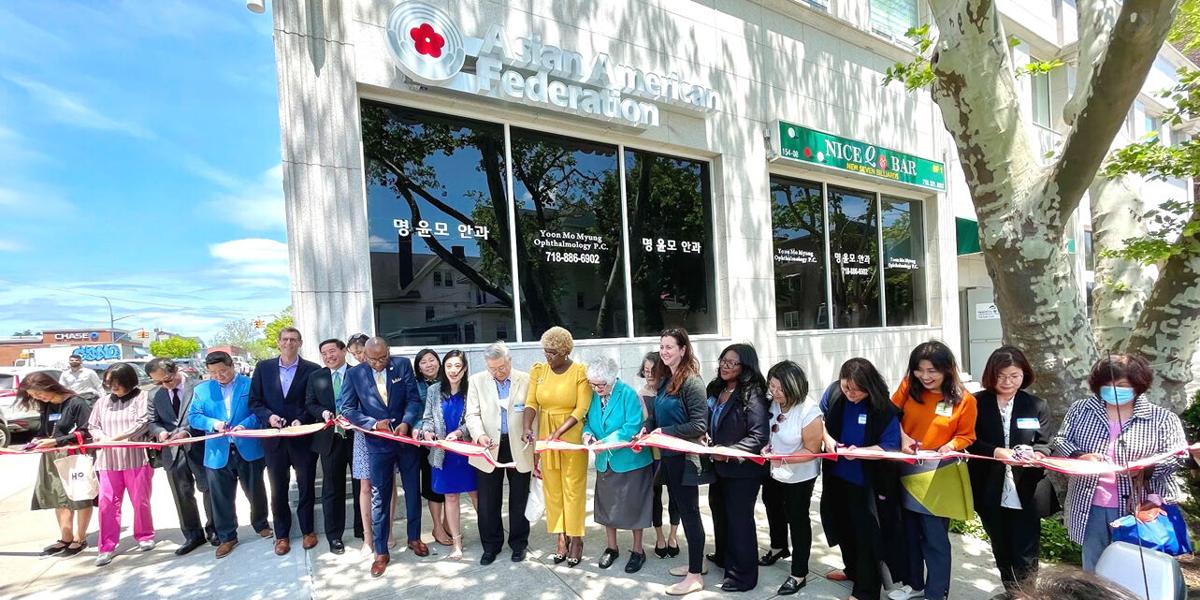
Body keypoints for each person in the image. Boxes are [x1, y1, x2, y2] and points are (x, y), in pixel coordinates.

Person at [1051, 353, 1187, 572]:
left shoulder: (1161, 418)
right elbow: (1061, 439)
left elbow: (1179, 456)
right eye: (1108, 385)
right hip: (1090, 503)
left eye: (1122, 385)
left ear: (1137, 385)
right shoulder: (1081, 410)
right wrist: (1079, 455)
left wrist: (1146, 469)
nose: (1114, 390)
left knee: (1137, 568)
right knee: (1094, 568)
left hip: (1141, 507)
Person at [888, 341, 977, 600]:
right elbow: (890, 415)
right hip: (904, 469)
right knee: (909, 533)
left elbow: (967, 435)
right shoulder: (908, 387)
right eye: (920, 370)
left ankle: (936, 593)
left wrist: (951, 445)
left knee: (934, 537)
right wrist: (902, 437)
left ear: (947, 370)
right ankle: (914, 584)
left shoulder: (965, 400)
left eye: (932, 371)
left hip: (938, 473)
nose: (925, 376)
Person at [340, 336, 427, 577]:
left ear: (389, 352)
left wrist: (407, 422)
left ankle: (414, 538)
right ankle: (381, 552)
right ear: (363, 356)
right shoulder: (355, 374)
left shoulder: (402, 365)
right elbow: (347, 409)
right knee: (380, 496)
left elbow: (413, 398)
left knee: (412, 491)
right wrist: (372, 424)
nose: (379, 364)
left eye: (383, 358)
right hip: (377, 443)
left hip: (405, 440)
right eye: (373, 359)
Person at [967, 346, 1051, 593]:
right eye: (1001, 376)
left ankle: (1027, 594)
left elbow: (1046, 443)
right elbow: (969, 439)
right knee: (1000, 545)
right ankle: (1011, 590)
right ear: (991, 375)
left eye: (1014, 376)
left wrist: (1037, 454)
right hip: (989, 485)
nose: (1007, 382)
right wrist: (996, 452)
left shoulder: (1036, 404)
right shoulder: (976, 402)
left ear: (1024, 375)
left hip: (1026, 486)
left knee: (1025, 548)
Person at [820, 358, 903, 600]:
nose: (850, 393)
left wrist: (862, 452)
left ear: (870, 386)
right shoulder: (835, 393)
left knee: (866, 536)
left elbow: (889, 447)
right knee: (842, 527)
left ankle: (866, 591)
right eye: (846, 387)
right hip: (837, 476)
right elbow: (820, 420)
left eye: (856, 390)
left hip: (866, 482)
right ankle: (851, 570)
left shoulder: (884, 409)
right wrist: (828, 440)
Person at [188, 351, 271, 560]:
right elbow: (194, 417)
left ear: (232, 365)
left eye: (222, 371)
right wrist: (212, 424)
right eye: (213, 373)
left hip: (248, 446)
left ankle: (261, 524)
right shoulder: (202, 389)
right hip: (217, 451)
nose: (219, 376)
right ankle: (227, 536)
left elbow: (259, 411)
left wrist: (246, 425)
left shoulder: (249, 384)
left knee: (256, 490)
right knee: (221, 497)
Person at [521, 326, 592, 567]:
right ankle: (560, 537)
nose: (547, 357)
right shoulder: (539, 371)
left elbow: (581, 409)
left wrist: (559, 432)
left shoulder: (579, 372)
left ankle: (576, 538)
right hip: (545, 435)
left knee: (572, 488)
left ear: (564, 352)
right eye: (545, 352)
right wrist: (527, 426)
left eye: (552, 353)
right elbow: (531, 402)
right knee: (552, 488)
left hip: (570, 435)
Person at [249, 326, 321, 556]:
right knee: (277, 489)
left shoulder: (313, 369)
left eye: (293, 339)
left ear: (300, 343)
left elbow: (314, 403)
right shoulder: (263, 368)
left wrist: (302, 419)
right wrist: (268, 417)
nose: (289, 343)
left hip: (302, 439)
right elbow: (255, 401)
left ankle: (308, 530)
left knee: (306, 486)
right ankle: (282, 535)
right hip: (275, 441)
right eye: (285, 339)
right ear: (278, 343)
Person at [704, 344, 770, 592]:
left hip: (742, 472)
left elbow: (759, 436)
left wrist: (728, 453)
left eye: (732, 363)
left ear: (746, 367)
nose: (725, 365)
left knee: (739, 521)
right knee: (720, 514)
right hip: (718, 467)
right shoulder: (718, 388)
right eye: (723, 360)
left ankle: (743, 576)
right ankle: (724, 558)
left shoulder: (752, 393)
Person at [464, 341, 534, 565]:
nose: (498, 372)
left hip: (518, 445)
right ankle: (491, 546)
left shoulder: (526, 379)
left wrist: (531, 433)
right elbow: (471, 415)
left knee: (519, 498)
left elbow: (534, 411)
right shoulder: (476, 381)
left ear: (510, 361)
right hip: (488, 446)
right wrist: (479, 435)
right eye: (492, 368)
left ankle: (518, 544)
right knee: (487, 500)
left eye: (501, 367)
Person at [651, 328, 709, 596]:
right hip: (669, 458)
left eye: (669, 347)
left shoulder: (692, 382)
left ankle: (695, 576)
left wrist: (665, 432)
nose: (664, 352)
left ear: (683, 349)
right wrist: (647, 428)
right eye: (662, 347)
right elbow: (659, 415)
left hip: (686, 459)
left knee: (690, 513)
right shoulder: (666, 379)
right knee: (684, 512)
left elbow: (699, 424)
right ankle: (695, 564)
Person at [582, 356, 652, 574]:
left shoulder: (628, 394)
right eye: (593, 384)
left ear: (612, 380)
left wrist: (606, 442)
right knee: (606, 507)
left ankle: (638, 550)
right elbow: (587, 421)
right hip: (606, 461)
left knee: (634, 508)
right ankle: (612, 548)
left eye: (601, 385)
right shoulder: (593, 395)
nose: (596, 388)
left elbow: (632, 427)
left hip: (631, 461)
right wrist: (587, 435)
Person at [761, 360, 824, 595]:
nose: (774, 393)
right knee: (772, 506)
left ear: (794, 386)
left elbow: (812, 450)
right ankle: (778, 547)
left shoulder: (809, 411)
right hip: (774, 469)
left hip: (799, 475)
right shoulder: (773, 404)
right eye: (772, 387)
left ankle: (799, 573)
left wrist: (782, 458)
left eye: (779, 388)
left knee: (797, 518)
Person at [17, 372, 96, 558]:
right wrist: (38, 439)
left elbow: (87, 432)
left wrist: (57, 441)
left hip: (75, 455)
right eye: (34, 396)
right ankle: (65, 537)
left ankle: (80, 537)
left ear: (49, 385)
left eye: (39, 394)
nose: (38, 398)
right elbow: (46, 430)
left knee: (80, 495)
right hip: (51, 455)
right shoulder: (46, 406)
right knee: (58, 496)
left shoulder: (77, 402)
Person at [146, 358, 216, 555]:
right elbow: (152, 421)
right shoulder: (154, 395)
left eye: (166, 380)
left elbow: (207, 413)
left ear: (176, 370)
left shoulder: (200, 387)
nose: (163, 385)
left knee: (209, 488)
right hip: (173, 451)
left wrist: (186, 431)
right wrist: (160, 432)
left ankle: (215, 530)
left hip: (199, 446)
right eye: (157, 382)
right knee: (182, 494)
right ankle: (193, 535)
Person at [88, 363, 155, 566]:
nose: (113, 388)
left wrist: (116, 438)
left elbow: (142, 423)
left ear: (128, 381)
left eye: (117, 384)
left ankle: (144, 535)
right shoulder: (102, 402)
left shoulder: (141, 398)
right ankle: (106, 546)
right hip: (108, 460)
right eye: (109, 384)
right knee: (107, 503)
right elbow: (93, 425)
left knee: (140, 499)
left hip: (135, 457)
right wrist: (102, 438)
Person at [418, 349, 478, 560]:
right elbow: (427, 418)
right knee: (450, 497)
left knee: (476, 495)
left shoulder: (472, 389)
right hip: (443, 454)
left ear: (464, 369)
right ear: (444, 367)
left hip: (467, 453)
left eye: (457, 366)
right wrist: (427, 430)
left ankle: (489, 537)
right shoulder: (434, 390)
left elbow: (476, 419)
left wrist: (460, 432)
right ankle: (457, 543)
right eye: (449, 366)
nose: (453, 370)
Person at [304, 338, 357, 555]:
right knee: (332, 489)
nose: (328, 356)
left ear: (344, 351)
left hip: (357, 438)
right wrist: (322, 413)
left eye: (332, 351)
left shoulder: (358, 372)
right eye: (324, 353)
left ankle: (363, 531)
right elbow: (310, 403)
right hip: (330, 440)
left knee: (361, 485)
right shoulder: (316, 377)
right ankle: (334, 536)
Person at [639, 351, 680, 560]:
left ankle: (673, 535)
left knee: (676, 494)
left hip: (672, 450)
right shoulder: (640, 393)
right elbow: (645, 422)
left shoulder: (672, 390)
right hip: (652, 453)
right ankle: (659, 536)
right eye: (645, 370)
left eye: (653, 370)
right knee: (655, 496)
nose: (649, 375)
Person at [414, 348, 451, 547]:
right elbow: (414, 411)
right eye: (424, 362)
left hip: (450, 440)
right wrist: (422, 430)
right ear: (418, 367)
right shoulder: (415, 386)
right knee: (433, 485)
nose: (429, 364)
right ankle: (437, 526)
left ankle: (448, 522)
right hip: (427, 443)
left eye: (432, 360)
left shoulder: (449, 382)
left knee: (449, 484)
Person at [345, 332, 374, 545]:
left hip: (386, 433)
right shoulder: (353, 373)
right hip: (363, 434)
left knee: (387, 484)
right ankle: (367, 536)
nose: (358, 357)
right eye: (354, 354)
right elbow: (346, 405)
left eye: (361, 352)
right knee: (365, 486)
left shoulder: (386, 368)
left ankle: (387, 532)